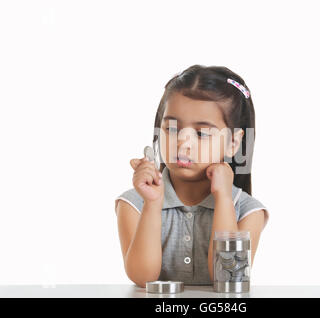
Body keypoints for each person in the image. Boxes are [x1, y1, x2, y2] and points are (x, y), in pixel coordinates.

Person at [115, 65, 269, 287]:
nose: (182, 142)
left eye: (201, 133)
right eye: (172, 129)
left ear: (233, 143)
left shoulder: (247, 211)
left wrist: (224, 199)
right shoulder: (134, 204)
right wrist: (152, 203)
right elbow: (142, 278)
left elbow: (226, 278)